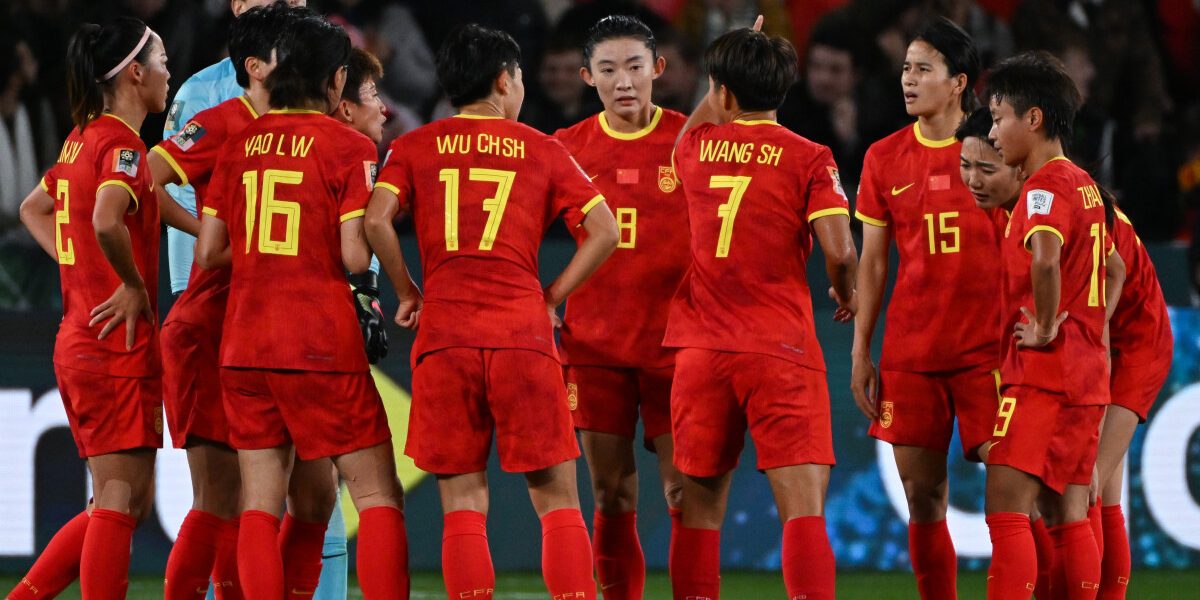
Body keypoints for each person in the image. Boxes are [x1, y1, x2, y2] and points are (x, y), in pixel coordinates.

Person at [364, 23, 618, 600]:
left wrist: (407, 292)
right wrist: (551, 297)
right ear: (504, 80)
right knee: (557, 500)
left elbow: (376, 220)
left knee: (463, 503)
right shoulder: (543, 148)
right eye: (521, 76)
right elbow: (605, 231)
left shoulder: (413, 146)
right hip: (522, 334)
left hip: (445, 336)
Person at [194, 16, 408, 600]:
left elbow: (210, 251)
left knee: (260, 503)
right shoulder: (349, 146)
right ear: (337, 78)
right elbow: (352, 253)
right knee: (378, 494)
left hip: (243, 343)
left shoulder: (238, 143)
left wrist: (269, 254)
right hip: (318, 341)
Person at [666, 23, 857, 600]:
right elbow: (840, 249)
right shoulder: (808, 156)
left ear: (721, 91)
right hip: (780, 347)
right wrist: (844, 291)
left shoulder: (697, 149)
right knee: (801, 511)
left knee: (697, 509)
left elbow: (695, 128)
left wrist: (725, 71)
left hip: (700, 352)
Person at [12, 17, 170, 599]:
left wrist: (76, 267)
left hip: (85, 336)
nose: (167, 72)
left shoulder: (81, 137)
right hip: (111, 345)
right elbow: (106, 218)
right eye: (161, 61)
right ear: (135, 73)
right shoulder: (121, 144)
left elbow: (35, 207)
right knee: (118, 501)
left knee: (125, 499)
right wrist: (129, 283)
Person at [149, 4, 301, 598]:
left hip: (262, 328)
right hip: (209, 321)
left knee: (257, 500)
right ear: (259, 66)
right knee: (218, 499)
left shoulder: (298, 129)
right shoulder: (216, 120)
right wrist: (201, 234)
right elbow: (144, 180)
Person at [849, 17, 998, 599]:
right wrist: (862, 349)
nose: (908, 80)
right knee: (924, 498)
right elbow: (874, 264)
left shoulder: (996, 150)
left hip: (989, 348)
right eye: (907, 68)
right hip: (913, 353)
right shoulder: (884, 158)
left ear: (959, 81)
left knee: (1016, 489)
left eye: (923, 69)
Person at [553, 15, 689, 600]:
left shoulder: (692, 141)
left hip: (677, 349)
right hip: (595, 348)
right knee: (612, 494)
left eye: (635, 66)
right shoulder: (564, 148)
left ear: (658, 69)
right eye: (608, 69)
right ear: (588, 76)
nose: (624, 81)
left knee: (686, 494)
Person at [984, 51, 1125, 600]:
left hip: (1045, 373)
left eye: (999, 118)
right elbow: (1112, 270)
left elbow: (1044, 257)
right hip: (1086, 376)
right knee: (1065, 509)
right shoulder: (1087, 186)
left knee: (1005, 505)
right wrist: (1088, 325)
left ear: (1034, 118)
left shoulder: (1043, 187)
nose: (993, 133)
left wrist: (1045, 326)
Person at [1092, 198, 1173, 599]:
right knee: (1103, 495)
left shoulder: (1063, 200)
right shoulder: (1079, 192)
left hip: (1137, 349)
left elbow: (1113, 275)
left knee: (1085, 484)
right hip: (1114, 345)